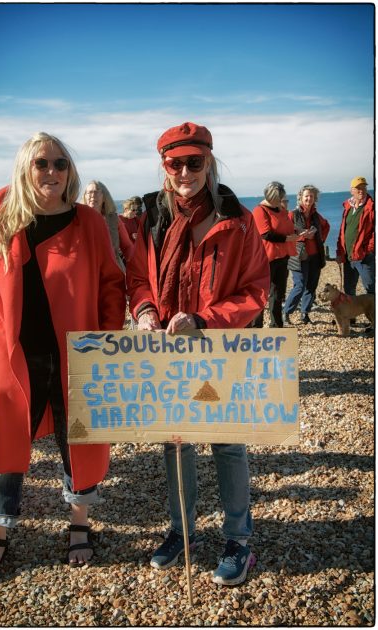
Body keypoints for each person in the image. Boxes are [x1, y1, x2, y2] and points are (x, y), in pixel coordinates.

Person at [0, 132, 126, 582]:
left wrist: (106, 341)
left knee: (80, 442)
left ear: (70, 171)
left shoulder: (88, 221)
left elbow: (112, 283)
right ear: (25, 168)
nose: (51, 172)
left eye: (60, 164)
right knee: (4, 448)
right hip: (15, 354)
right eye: (41, 164)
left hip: (76, 352)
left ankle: (79, 523)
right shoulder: (1, 213)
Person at [126, 121, 270, 586]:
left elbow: (256, 290)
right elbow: (137, 277)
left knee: (227, 443)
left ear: (209, 161)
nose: (185, 170)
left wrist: (205, 320)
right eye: (175, 162)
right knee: (176, 441)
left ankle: (238, 539)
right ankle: (181, 531)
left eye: (194, 161)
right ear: (163, 166)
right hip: (167, 351)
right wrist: (146, 308)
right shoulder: (150, 217)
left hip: (221, 347)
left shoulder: (238, 218)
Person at [252, 182, 298, 327]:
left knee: (278, 294)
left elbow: (288, 226)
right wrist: (286, 238)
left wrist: (297, 232)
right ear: (271, 197)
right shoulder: (260, 210)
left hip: (282, 256)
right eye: (279, 198)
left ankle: (277, 325)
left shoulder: (281, 209)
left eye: (282, 198)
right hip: (266, 258)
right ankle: (256, 326)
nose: (281, 201)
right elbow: (265, 234)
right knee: (261, 294)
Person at [283, 184, 330, 324]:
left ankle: (305, 314)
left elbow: (326, 226)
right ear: (300, 198)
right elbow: (286, 233)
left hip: (315, 255)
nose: (309, 198)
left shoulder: (316, 215)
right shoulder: (293, 214)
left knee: (311, 286)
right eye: (306, 196)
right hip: (297, 255)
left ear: (315, 198)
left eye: (311, 196)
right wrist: (302, 236)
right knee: (299, 285)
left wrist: (319, 238)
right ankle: (286, 312)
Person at [336, 176, 374, 295]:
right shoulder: (348, 207)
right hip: (348, 257)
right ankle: (351, 314)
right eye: (358, 188)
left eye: (363, 187)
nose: (361, 190)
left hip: (364, 257)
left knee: (371, 288)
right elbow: (343, 232)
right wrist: (339, 252)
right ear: (352, 190)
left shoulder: (371, 207)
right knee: (349, 289)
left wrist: (368, 249)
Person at [82, 180, 134, 268]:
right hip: (87, 270)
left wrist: (137, 266)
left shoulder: (114, 220)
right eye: (89, 192)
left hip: (113, 271)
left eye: (97, 192)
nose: (93, 195)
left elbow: (127, 247)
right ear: (84, 197)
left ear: (104, 197)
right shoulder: (78, 219)